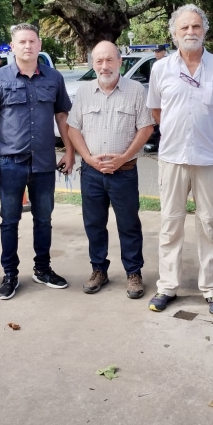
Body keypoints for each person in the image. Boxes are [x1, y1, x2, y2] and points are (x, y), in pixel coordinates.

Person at [146, 4, 213, 317]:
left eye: (196, 27)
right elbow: (157, 112)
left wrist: (208, 133)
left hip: (209, 158)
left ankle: (212, 290)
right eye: (184, 28)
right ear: (174, 33)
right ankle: (167, 287)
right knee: (170, 225)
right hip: (172, 158)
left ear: (205, 31)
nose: (190, 32)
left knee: (210, 225)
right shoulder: (161, 69)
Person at [0, 23, 75, 301]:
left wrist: (69, 151)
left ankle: (42, 269)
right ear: (12, 46)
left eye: (32, 41)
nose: (27, 46)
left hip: (44, 163)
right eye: (22, 42)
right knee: (9, 220)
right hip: (9, 162)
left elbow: (62, 118)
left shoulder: (54, 78)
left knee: (44, 219)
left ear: (40, 45)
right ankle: (10, 274)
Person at [67, 41, 155, 299]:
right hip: (91, 173)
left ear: (120, 61)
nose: (104, 66)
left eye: (109, 60)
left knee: (129, 224)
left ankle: (133, 273)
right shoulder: (84, 92)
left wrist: (124, 157)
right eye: (99, 61)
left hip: (124, 171)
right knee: (94, 224)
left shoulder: (135, 90)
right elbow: (73, 128)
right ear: (92, 64)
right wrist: (88, 158)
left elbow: (146, 127)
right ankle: (98, 270)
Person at [144, 45, 169, 153]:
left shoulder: (169, 64)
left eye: (159, 51)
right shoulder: (155, 64)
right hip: (156, 96)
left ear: (164, 52)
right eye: (156, 52)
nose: (156, 53)